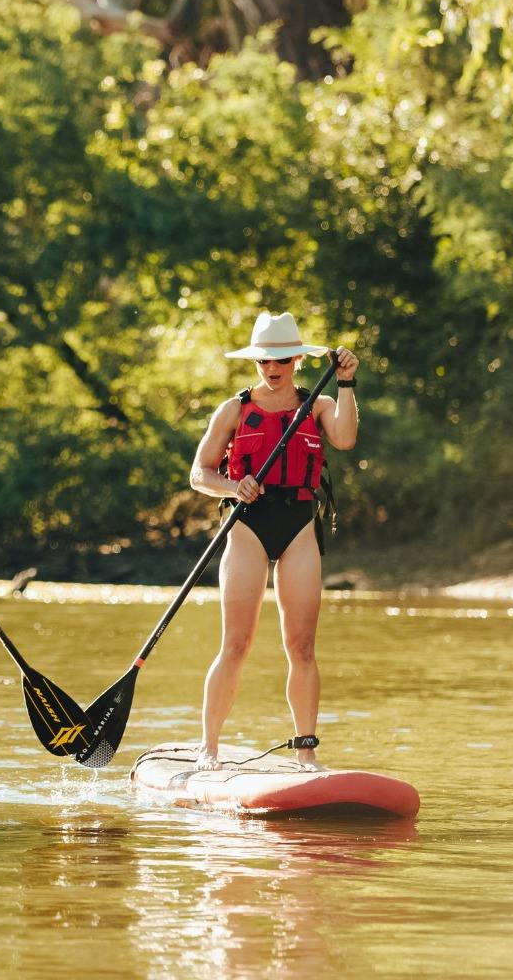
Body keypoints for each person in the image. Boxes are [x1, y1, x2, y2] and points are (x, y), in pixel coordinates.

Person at [188, 312, 359, 771]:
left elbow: (344, 438)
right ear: (256, 362)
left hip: (299, 526)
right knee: (236, 644)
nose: (273, 367)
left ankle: (306, 750)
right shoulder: (234, 409)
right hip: (247, 527)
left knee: (301, 647)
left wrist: (346, 382)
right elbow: (199, 474)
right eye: (265, 359)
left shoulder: (318, 405)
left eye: (282, 358)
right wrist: (232, 487)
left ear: (298, 359)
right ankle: (209, 748)